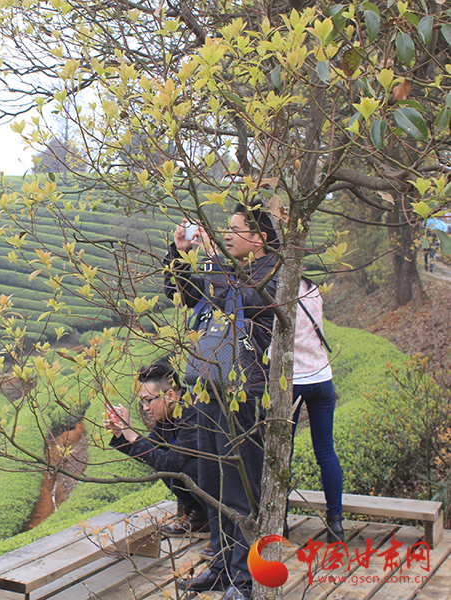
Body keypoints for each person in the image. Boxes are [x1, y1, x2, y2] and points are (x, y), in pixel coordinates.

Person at [165, 203, 280, 600]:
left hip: (240, 393)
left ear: (260, 237)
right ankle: (221, 563)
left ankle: (245, 578)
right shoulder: (230, 272)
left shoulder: (273, 272)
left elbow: (243, 299)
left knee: (237, 489)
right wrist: (180, 253)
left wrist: (212, 258)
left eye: (235, 228)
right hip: (207, 390)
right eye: (225, 229)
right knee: (211, 484)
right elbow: (184, 294)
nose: (228, 234)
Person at [104, 361, 210, 537]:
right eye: (142, 401)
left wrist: (132, 435)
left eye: (148, 400)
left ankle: (215, 524)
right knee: (160, 460)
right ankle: (199, 515)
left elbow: (171, 462)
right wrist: (121, 434)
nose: (145, 408)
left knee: (188, 468)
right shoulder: (168, 416)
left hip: (227, 488)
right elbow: (151, 451)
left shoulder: (193, 414)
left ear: (170, 394)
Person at [290, 277, 344, 542]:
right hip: (322, 377)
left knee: (281, 453)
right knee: (325, 451)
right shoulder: (311, 287)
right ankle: (336, 523)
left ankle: (279, 522)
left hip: (292, 380)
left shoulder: (276, 287)